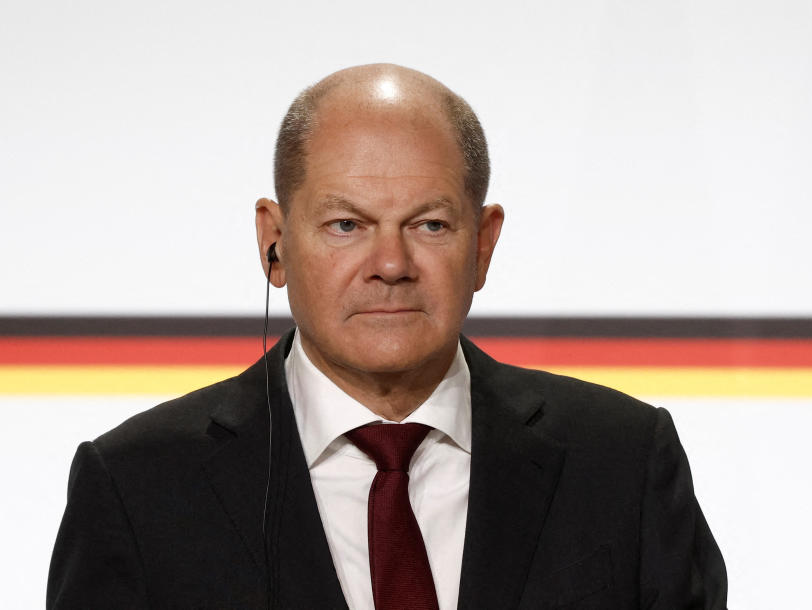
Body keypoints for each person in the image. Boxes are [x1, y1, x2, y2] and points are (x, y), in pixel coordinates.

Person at [48, 64, 727, 609]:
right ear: (274, 241)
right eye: (346, 225)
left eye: (430, 225)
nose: (392, 265)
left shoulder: (623, 462)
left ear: (483, 245)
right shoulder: (137, 486)